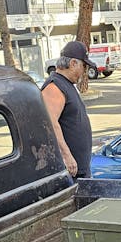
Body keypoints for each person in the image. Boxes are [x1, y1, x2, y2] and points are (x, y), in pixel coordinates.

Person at [41, 41, 95, 179]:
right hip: (70, 171)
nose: (84, 72)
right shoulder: (54, 87)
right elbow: (50, 123)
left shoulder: (66, 84)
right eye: (84, 66)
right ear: (73, 63)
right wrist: (67, 156)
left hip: (79, 169)